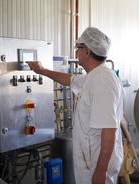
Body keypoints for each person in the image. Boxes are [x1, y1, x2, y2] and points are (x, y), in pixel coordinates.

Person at [27, 27, 124, 184]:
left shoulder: (102, 81)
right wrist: (42, 71)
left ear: (87, 51)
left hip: (98, 165)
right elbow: (70, 79)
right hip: (91, 160)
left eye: (78, 48)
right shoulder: (93, 77)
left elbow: (109, 130)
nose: (76, 52)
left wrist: (100, 172)